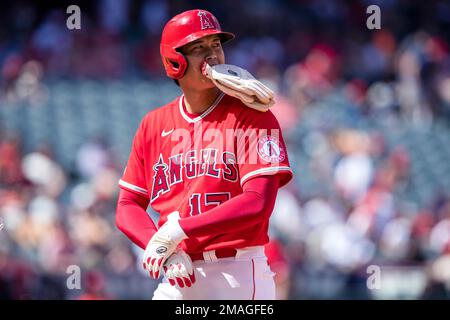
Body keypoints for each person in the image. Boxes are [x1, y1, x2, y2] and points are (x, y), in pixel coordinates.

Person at [115, 9, 293, 300]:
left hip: (236, 273)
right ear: (174, 61)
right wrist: (162, 247)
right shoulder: (154, 124)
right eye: (198, 48)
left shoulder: (251, 115)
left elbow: (258, 202)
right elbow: (128, 205)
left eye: (216, 45)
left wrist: (179, 231)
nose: (212, 55)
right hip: (178, 275)